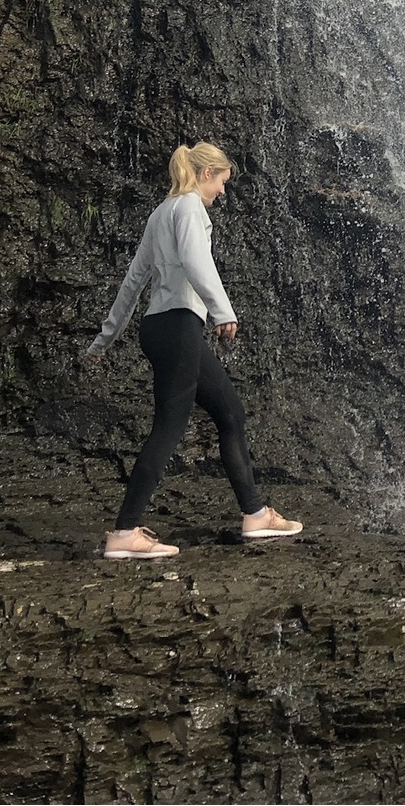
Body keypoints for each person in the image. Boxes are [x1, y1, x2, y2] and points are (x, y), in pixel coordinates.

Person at [87, 140, 302, 559]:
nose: (223, 191)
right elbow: (195, 260)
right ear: (206, 174)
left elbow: (133, 282)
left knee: (230, 412)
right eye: (222, 181)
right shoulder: (188, 208)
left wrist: (104, 339)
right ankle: (124, 533)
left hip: (160, 328)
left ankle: (255, 515)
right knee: (168, 429)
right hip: (181, 326)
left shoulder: (159, 213)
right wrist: (224, 312)